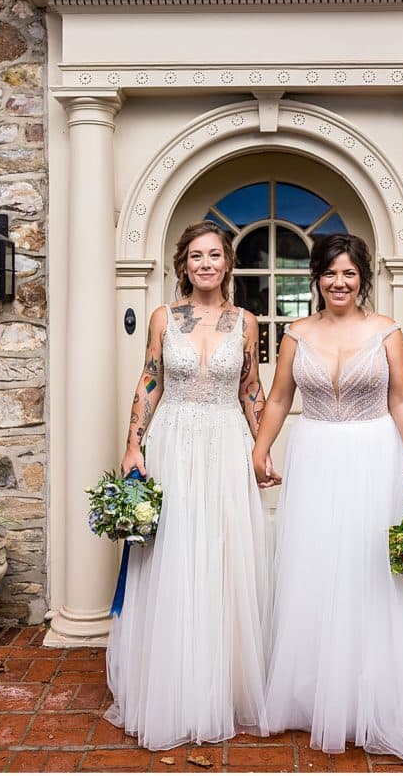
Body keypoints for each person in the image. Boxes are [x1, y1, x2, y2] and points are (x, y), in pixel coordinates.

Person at [252, 233, 403, 773]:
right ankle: (315, 690)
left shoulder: (387, 333)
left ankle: (381, 690)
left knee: (373, 571)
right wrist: (258, 450)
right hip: (316, 457)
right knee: (317, 568)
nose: (339, 282)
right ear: (316, 278)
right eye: (330, 273)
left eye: (349, 274)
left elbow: (401, 398)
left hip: (375, 457)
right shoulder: (295, 334)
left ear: (363, 278)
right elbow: (280, 396)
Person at [105, 221, 276, 750]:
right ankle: (172, 685)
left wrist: (261, 447)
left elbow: (252, 389)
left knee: (225, 557)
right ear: (184, 264)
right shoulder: (163, 317)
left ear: (227, 263)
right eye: (196, 256)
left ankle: (222, 683)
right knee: (174, 556)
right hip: (174, 442)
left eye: (215, 255)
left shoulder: (246, 322)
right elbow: (150, 380)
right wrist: (134, 445)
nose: (206, 264)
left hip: (225, 444)